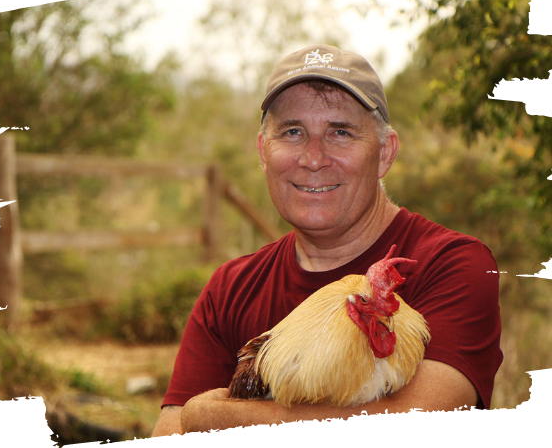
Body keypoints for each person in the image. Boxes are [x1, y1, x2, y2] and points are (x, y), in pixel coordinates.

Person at [152, 44, 503, 436]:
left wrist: (209, 417)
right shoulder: (229, 288)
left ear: (385, 153)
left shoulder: (453, 264)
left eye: (340, 132)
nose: (313, 157)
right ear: (263, 152)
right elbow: (169, 428)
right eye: (292, 131)